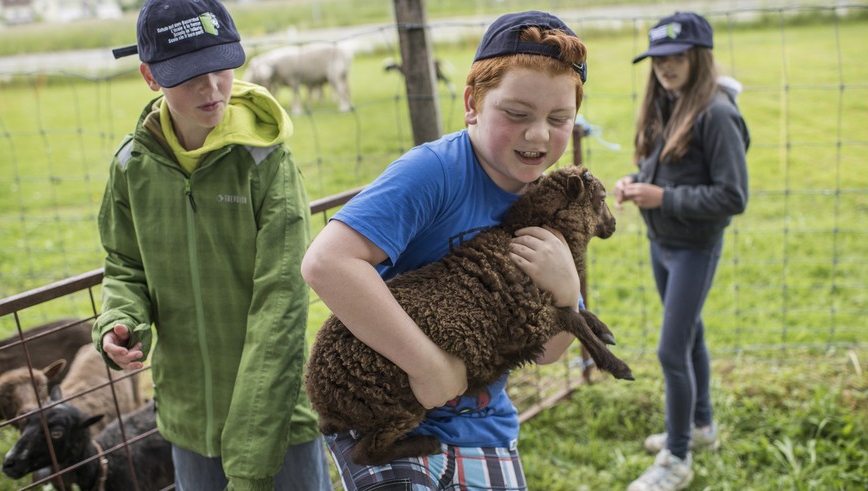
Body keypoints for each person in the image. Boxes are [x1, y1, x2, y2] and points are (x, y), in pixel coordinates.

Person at [301, 10, 588, 491]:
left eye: (559, 119)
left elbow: (548, 353)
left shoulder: (550, 207)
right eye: (516, 114)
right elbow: (327, 261)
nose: (538, 134)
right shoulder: (434, 173)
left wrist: (567, 289)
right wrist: (427, 366)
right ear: (472, 104)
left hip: (483, 425)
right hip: (385, 410)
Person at [93, 1, 333, 490]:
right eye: (187, 75)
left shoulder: (266, 162)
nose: (212, 87)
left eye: (222, 66)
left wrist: (250, 454)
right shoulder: (129, 167)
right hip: (188, 421)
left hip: (277, 422)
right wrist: (122, 319)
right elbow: (124, 263)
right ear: (150, 76)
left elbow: (281, 304)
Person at [614, 11, 749, 491]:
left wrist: (663, 198)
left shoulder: (717, 114)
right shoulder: (669, 102)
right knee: (689, 339)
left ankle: (677, 457)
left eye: (676, 57)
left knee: (671, 351)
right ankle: (702, 426)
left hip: (694, 247)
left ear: (699, 57)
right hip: (662, 243)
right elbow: (668, 168)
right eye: (657, 59)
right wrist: (638, 183)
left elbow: (733, 196)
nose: (665, 67)